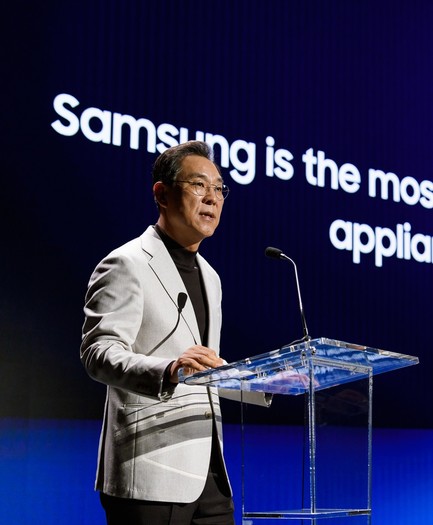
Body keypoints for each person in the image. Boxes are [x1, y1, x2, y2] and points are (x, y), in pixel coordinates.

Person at [80, 141, 269, 525]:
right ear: (162, 194)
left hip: (210, 476)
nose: (212, 198)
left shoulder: (211, 277)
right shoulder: (127, 263)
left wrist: (265, 382)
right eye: (199, 185)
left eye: (219, 188)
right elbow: (98, 352)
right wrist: (167, 370)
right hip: (150, 470)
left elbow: (202, 369)